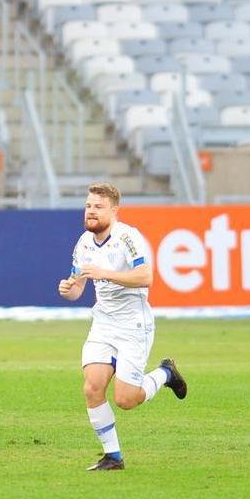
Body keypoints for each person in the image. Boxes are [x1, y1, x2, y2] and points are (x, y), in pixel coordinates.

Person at [57, 183, 187, 471]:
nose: (91, 211)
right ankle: (112, 456)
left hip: (133, 324)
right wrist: (68, 289)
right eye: (88, 206)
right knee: (92, 387)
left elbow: (146, 277)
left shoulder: (128, 238)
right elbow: (77, 287)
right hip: (103, 323)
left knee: (126, 399)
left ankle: (166, 373)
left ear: (114, 211)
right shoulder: (84, 243)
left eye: (98, 207)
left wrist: (105, 273)